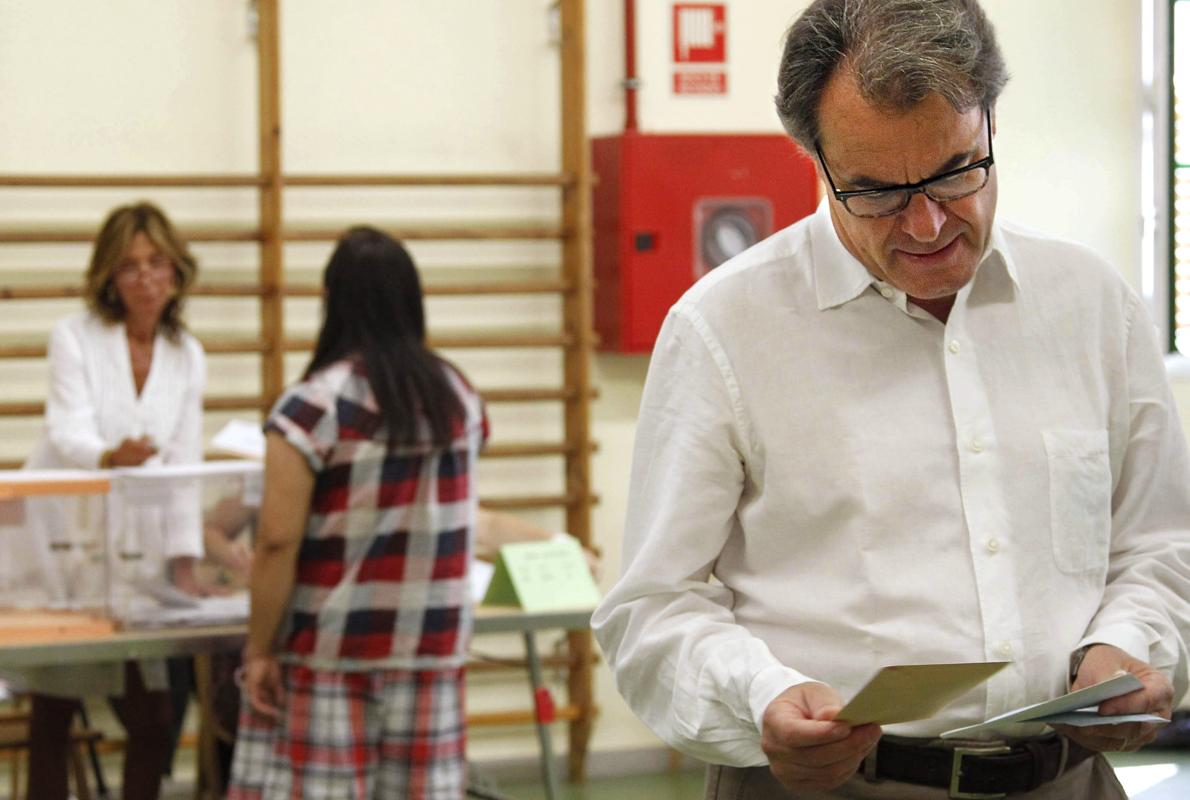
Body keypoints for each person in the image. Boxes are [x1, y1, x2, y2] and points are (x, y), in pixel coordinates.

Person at [591, 1, 1190, 798]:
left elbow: (1158, 545)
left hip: (1068, 778)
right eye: (874, 190)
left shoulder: (1090, 307)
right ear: (817, 162)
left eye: (955, 172)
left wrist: (1127, 644)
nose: (927, 221)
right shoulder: (726, 330)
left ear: (990, 124)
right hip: (827, 784)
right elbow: (650, 611)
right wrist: (759, 695)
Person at [227, 227, 488, 800]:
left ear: (332, 302)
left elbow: (276, 539)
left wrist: (259, 647)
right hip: (433, 651)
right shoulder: (458, 397)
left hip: (332, 651)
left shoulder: (313, 404)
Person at [19, 201, 206, 800]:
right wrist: (109, 456)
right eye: (129, 266)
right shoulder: (74, 336)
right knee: (55, 706)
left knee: (152, 716)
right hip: (58, 532)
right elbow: (66, 429)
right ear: (107, 276)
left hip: (131, 544)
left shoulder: (187, 354)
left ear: (177, 270)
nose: (146, 278)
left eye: (157, 263)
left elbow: (184, 463)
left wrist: (186, 560)